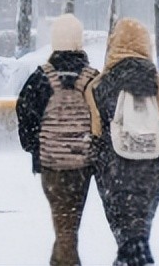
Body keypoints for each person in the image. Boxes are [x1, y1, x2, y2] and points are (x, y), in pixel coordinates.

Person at [85, 17, 159, 266]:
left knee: (128, 239)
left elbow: (95, 132)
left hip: (114, 175)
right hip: (151, 174)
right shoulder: (158, 83)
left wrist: (93, 167)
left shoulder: (102, 84)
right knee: (137, 235)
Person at [16, 13, 99, 266]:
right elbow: (102, 117)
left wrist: (35, 147)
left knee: (64, 224)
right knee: (69, 224)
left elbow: (25, 112)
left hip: (51, 164)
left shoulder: (42, 77)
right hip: (82, 164)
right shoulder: (92, 77)